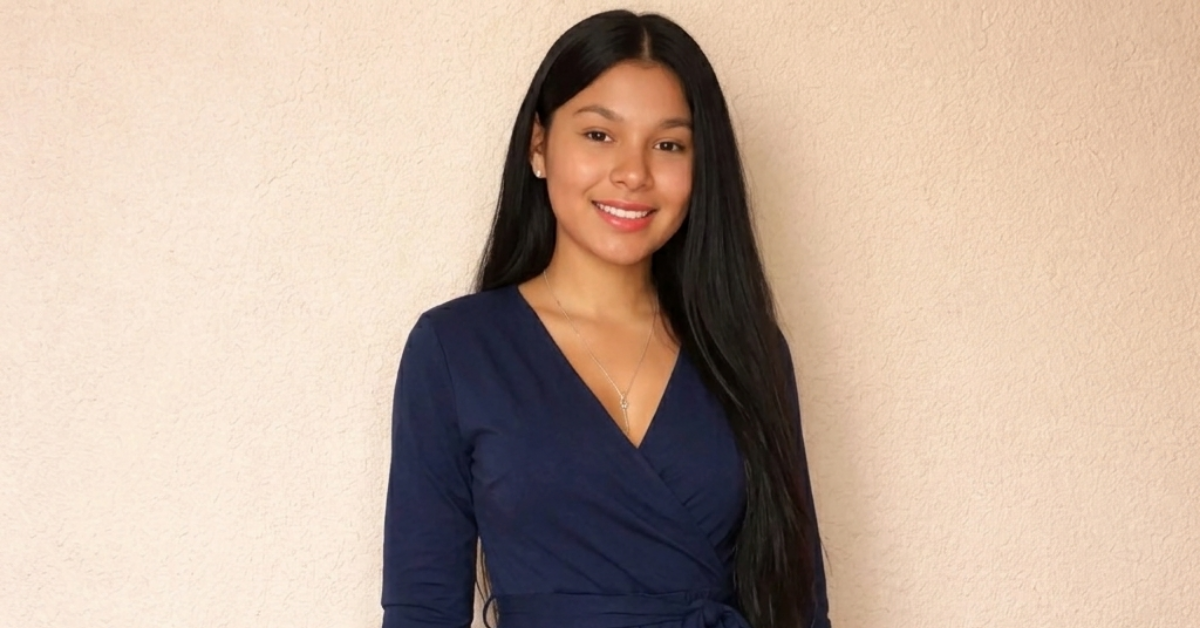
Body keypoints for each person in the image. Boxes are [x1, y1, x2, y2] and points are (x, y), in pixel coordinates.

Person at [382, 9, 830, 628]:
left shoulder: (746, 348)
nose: (633, 173)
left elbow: (800, 605)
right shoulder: (455, 350)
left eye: (668, 145)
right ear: (539, 145)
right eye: (599, 134)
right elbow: (422, 611)